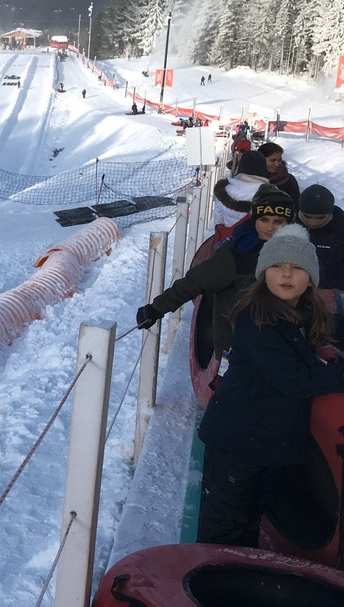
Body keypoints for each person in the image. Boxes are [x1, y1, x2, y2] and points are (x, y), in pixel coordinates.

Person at [196, 224, 344, 547]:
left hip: (264, 445)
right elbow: (294, 379)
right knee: (224, 529)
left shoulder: (300, 312)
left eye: (297, 268)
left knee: (250, 523)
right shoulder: (257, 319)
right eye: (277, 267)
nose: (286, 275)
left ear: (311, 278)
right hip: (236, 445)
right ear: (264, 274)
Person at [137, 184, 295, 359]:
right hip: (238, 347)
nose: (270, 227)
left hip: (280, 344)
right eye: (264, 220)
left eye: (278, 221)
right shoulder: (237, 252)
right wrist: (155, 309)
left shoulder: (297, 252)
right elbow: (196, 281)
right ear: (253, 219)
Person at [298, 184, 344, 289]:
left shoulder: (340, 229)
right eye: (307, 216)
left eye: (320, 218)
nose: (313, 223)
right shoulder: (287, 223)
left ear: (330, 213)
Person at [212, 149, 269, 229]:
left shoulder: (225, 191)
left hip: (231, 240)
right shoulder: (270, 194)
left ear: (240, 167)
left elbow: (218, 225)